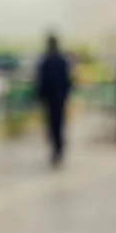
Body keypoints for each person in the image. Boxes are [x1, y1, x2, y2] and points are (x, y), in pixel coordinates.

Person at [35, 33, 72, 167]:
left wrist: (40, 96)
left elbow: (41, 81)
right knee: (58, 124)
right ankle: (58, 149)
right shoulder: (61, 60)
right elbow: (67, 81)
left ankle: (56, 150)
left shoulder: (45, 60)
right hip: (58, 98)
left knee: (53, 125)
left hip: (51, 98)